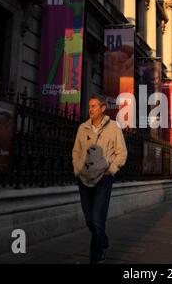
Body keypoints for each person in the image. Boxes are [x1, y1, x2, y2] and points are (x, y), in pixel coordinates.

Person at [72, 94, 128, 263]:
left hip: (103, 179)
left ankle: (95, 257)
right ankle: (103, 242)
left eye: (94, 106)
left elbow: (122, 153)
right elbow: (76, 151)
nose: (90, 109)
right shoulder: (83, 128)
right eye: (90, 106)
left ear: (103, 108)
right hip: (84, 179)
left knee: (97, 219)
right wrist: (77, 169)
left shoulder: (114, 128)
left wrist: (111, 170)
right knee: (89, 219)